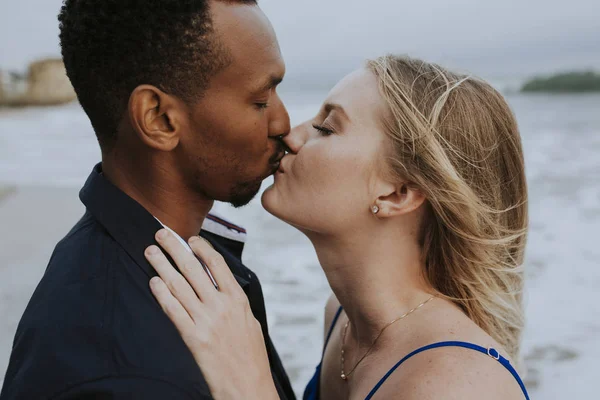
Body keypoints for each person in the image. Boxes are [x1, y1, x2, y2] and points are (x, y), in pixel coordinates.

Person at [144, 56, 531, 399]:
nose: (290, 136)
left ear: (399, 193)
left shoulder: (459, 386)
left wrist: (250, 386)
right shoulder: (342, 320)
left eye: (326, 128)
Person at [0, 1, 295, 399]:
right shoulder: (118, 372)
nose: (283, 123)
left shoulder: (193, 262)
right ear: (158, 119)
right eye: (260, 102)